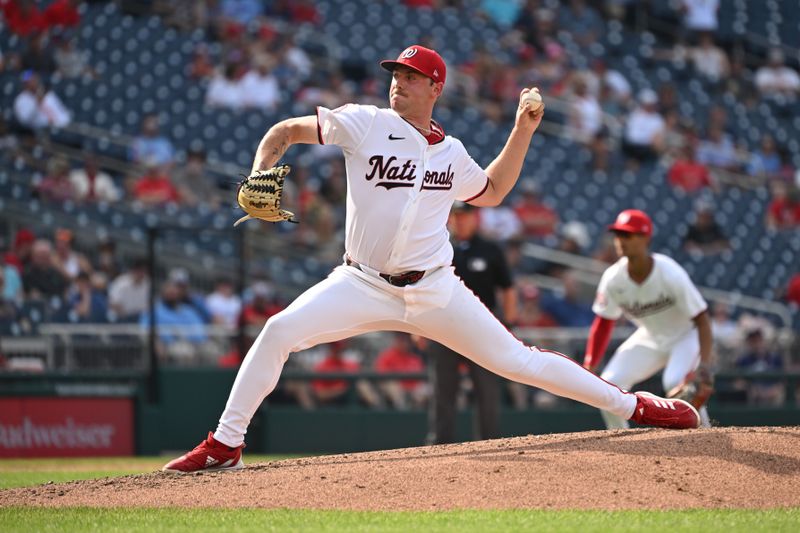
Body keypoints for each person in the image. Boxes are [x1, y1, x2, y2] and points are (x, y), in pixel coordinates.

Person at [163, 44, 701, 473]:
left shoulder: (451, 150)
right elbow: (286, 131)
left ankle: (640, 407)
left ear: (435, 87)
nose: (398, 81)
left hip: (434, 288)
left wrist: (523, 130)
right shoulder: (365, 122)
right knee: (278, 332)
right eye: (395, 73)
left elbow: (489, 192)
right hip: (362, 283)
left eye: (411, 76)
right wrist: (262, 169)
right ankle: (225, 443)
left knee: (517, 361)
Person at [582, 209, 714, 429]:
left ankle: (706, 438)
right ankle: (624, 451)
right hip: (650, 336)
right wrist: (590, 364)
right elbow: (604, 323)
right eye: (618, 235)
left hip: (685, 336)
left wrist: (706, 365)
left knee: (675, 382)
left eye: (628, 235)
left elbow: (702, 320)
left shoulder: (669, 273)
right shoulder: (613, 278)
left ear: (645, 238)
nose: (621, 241)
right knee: (608, 386)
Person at [426, 201, 517, 444]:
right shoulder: (439, 248)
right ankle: (439, 444)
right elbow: (422, 287)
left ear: (475, 217)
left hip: (482, 328)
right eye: (455, 215)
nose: (460, 220)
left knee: (486, 388)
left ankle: (489, 441)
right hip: (444, 326)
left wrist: (508, 324)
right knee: (443, 388)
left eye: (464, 215)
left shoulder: (490, 250)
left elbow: (508, 289)